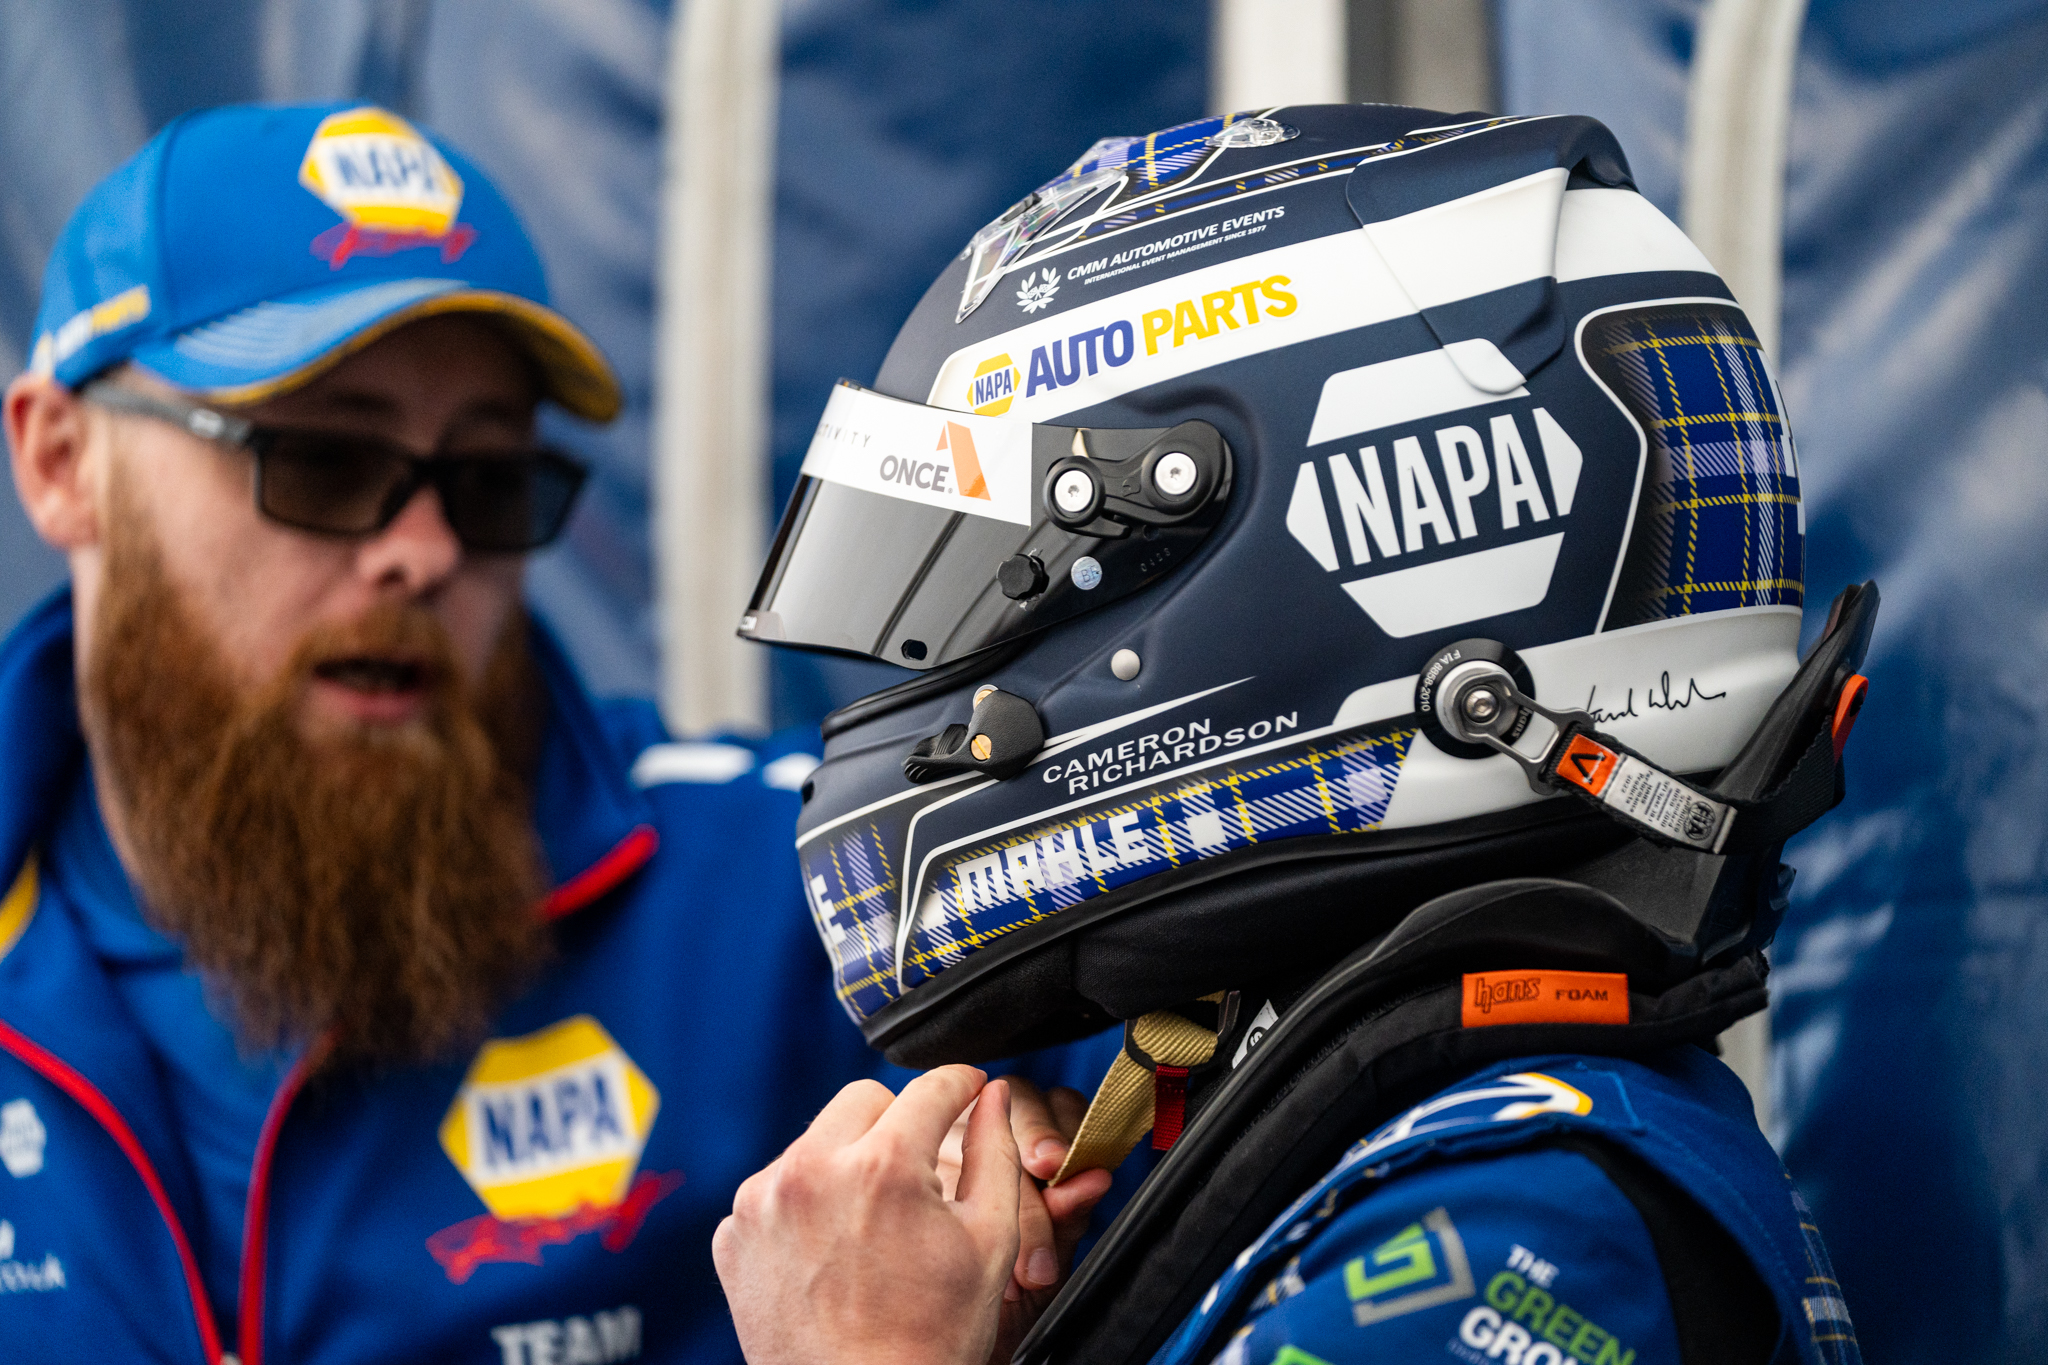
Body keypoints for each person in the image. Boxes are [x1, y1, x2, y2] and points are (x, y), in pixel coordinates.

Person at [713, 104, 1875, 1364]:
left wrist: (862, 1348)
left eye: (1010, 578)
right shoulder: (1419, 1147)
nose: (950, 672)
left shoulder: (1517, 1228)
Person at [0, 102, 1110, 1364]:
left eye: (488, 482)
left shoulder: (812, 885)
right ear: (60, 460)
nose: (424, 550)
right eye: (321, 462)